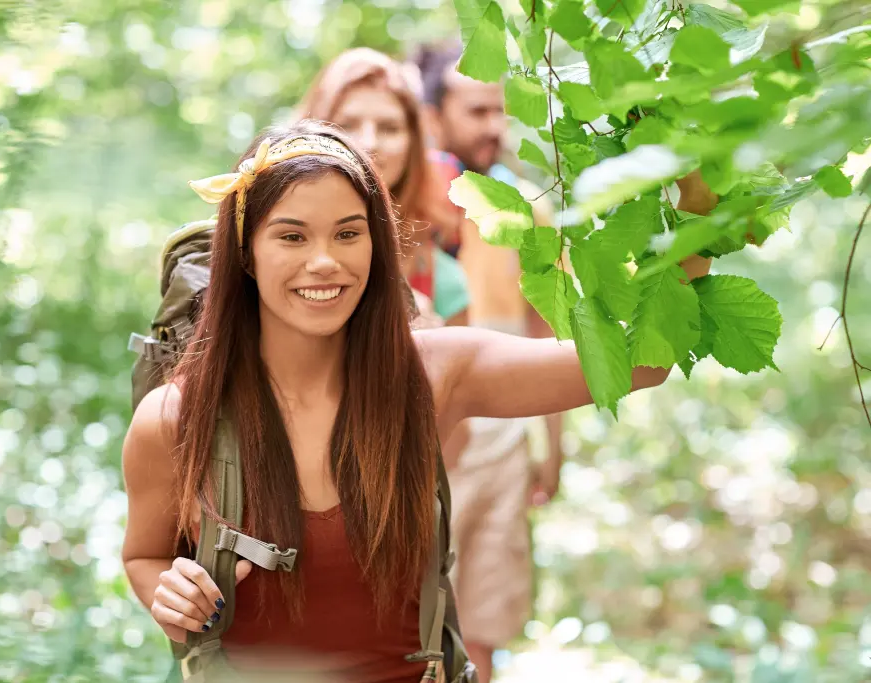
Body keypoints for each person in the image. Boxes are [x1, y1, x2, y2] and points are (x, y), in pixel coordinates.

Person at [121, 120, 714, 683]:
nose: (324, 261)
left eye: (348, 233)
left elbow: (641, 361)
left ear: (377, 246)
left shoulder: (433, 374)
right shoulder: (174, 420)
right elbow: (144, 556)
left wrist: (700, 192)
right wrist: (167, 593)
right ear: (245, 251)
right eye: (292, 236)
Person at [411, 41, 565, 681]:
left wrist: (552, 444)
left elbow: (549, 327)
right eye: (476, 109)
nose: (493, 126)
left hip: (500, 438)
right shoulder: (404, 206)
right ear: (435, 112)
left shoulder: (527, 207)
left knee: (483, 621)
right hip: (416, 435)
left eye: (500, 110)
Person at [296, 47, 469, 327]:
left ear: (414, 144)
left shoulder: (442, 278)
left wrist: (432, 345)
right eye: (347, 124)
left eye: (389, 128)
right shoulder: (260, 238)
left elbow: (467, 367)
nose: (369, 143)